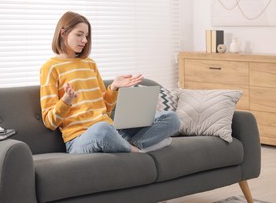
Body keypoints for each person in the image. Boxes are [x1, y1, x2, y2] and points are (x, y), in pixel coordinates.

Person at [40, 11, 180, 154]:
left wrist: (113, 87)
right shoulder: (50, 68)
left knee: (171, 118)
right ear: (63, 33)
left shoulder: (89, 64)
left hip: (111, 130)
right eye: (79, 34)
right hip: (80, 138)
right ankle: (137, 150)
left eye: (86, 36)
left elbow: (105, 109)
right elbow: (50, 122)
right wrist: (66, 100)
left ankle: (132, 146)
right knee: (102, 129)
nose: (84, 40)